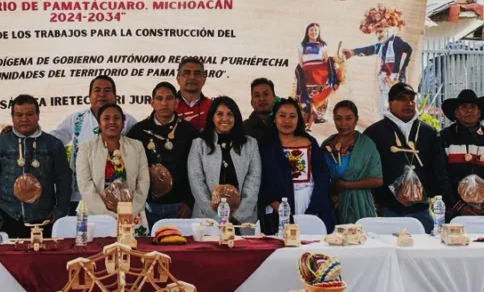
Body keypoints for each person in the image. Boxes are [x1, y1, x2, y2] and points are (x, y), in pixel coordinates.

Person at [0, 95, 71, 238]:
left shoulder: (53, 145)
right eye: (19, 115)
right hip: (7, 217)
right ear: (12, 117)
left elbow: (63, 180)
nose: (24, 119)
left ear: (38, 115)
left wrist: (59, 212)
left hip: (45, 219)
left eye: (29, 114)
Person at [363, 82, 449, 233]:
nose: (408, 103)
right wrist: (380, 199)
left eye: (411, 99)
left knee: (424, 253)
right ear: (390, 103)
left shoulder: (428, 132)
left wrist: (426, 192)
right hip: (388, 209)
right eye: (402, 99)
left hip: (421, 209)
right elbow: (368, 170)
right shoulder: (374, 133)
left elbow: (437, 167)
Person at [50, 75, 136, 212]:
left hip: (116, 198)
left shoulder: (127, 121)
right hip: (80, 198)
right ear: (89, 96)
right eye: (97, 90)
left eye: (107, 90)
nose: (102, 94)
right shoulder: (76, 119)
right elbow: (52, 141)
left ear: (115, 96)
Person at [258, 98, 336, 234]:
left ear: (298, 119)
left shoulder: (310, 142)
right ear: (274, 118)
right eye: (282, 115)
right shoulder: (265, 146)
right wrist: (279, 208)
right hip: (278, 206)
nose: (287, 120)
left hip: (309, 202)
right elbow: (262, 180)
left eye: (292, 116)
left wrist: (314, 208)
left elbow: (322, 176)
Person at [129, 82, 198, 229]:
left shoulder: (189, 131)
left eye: (169, 98)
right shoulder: (138, 131)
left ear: (176, 102)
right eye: (159, 98)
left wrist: (190, 202)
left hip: (180, 205)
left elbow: (196, 171)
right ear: (152, 102)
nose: (164, 103)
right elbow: (130, 169)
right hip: (146, 206)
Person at [188, 97, 262, 226]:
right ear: (212, 117)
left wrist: (238, 216)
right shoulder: (199, 144)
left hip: (243, 220)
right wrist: (216, 217)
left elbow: (254, 181)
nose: (225, 118)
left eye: (230, 114)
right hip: (207, 219)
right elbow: (196, 181)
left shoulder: (250, 144)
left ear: (236, 117)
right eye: (219, 114)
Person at [75, 103, 150, 229]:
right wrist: (107, 215)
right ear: (99, 123)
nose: (112, 122)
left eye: (116, 118)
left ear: (123, 122)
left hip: (133, 218)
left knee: (135, 248)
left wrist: (131, 211)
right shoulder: (86, 148)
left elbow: (143, 182)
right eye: (106, 118)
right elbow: (85, 185)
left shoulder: (136, 146)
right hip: (98, 217)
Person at [439, 89, 484, 220]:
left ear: (479, 113)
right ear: (456, 113)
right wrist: (458, 205)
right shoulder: (443, 138)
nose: (469, 111)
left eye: (473, 107)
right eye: (464, 107)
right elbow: (440, 173)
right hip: (452, 210)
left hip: (483, 209)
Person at [322, 100, 383, 224]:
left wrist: (346, 185)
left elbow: (377, 180)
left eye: (348, 118)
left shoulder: (366, 145)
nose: (343, 123)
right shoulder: (327, 145)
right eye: (338, 118)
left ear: (356, 119)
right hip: (331, 206)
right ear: (333, 119)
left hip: (360, 206)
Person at [344, 4, 412, 114]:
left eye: (380, 31)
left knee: (392, 108)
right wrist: (353, 52)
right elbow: (369, 49)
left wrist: (402, 72)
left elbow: (409, 50)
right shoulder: (382, 45)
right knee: (384, 108)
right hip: (384, 82)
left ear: (390, 28)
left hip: (393, 81)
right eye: (376, 32)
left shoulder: (397, 42)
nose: (378, 35)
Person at [294, 23, 343, 125]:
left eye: (316, 30)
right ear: (307, 32)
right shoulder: (302, 46)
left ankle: (318, 116)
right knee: (307, 94)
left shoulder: (322, 45)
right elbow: (301, 62)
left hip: (320, 73)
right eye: (311, 30)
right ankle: (306, 116)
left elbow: (326, 59)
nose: (314, 32)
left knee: (320, 93)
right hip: (307, 72)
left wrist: (335, 65)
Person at [174, 57, 212, 131]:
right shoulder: (167, 105)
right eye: (186, 74)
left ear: (204, 80)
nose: (192, 77)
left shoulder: (212, 106)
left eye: (197, 74)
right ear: (178, 79)